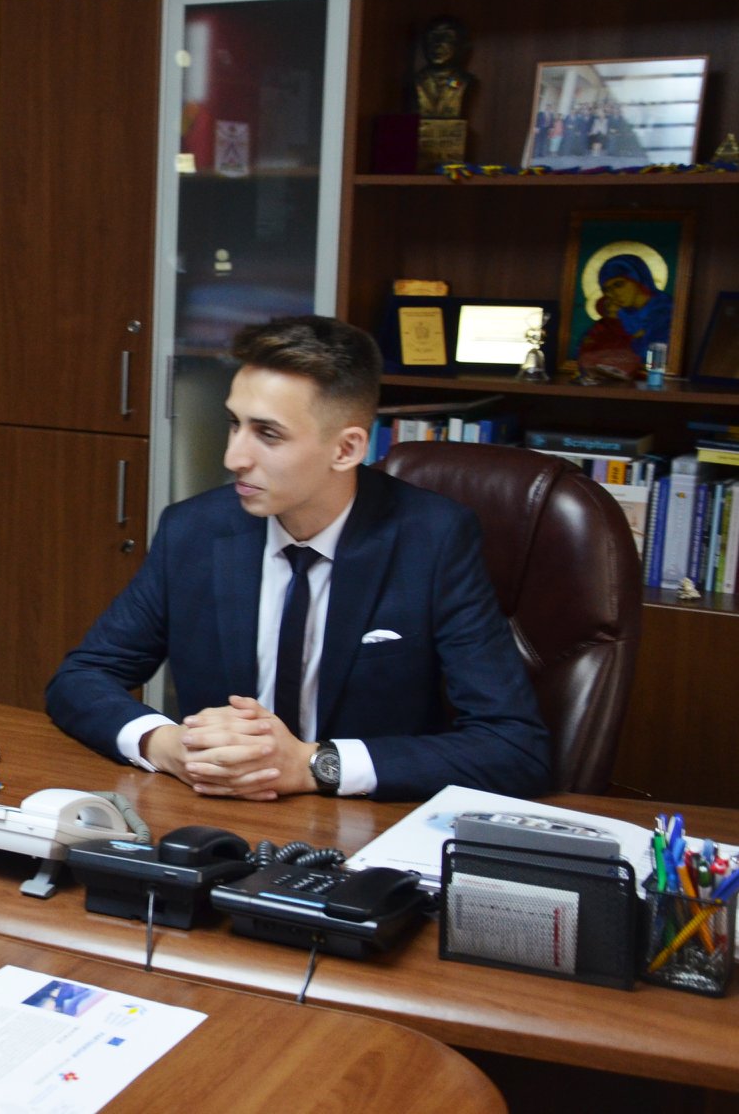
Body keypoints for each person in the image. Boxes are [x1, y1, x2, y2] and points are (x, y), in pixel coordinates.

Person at [46, 315, 551, 803]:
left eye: (268, 434)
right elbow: (81, 678)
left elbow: (513, 746)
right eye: (234, 424)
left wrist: (313, 765)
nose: (233, 457)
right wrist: (165, 744)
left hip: (362, 829)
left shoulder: (433, 540)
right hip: (214, 813)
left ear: (346, 449)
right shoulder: (194, 531)